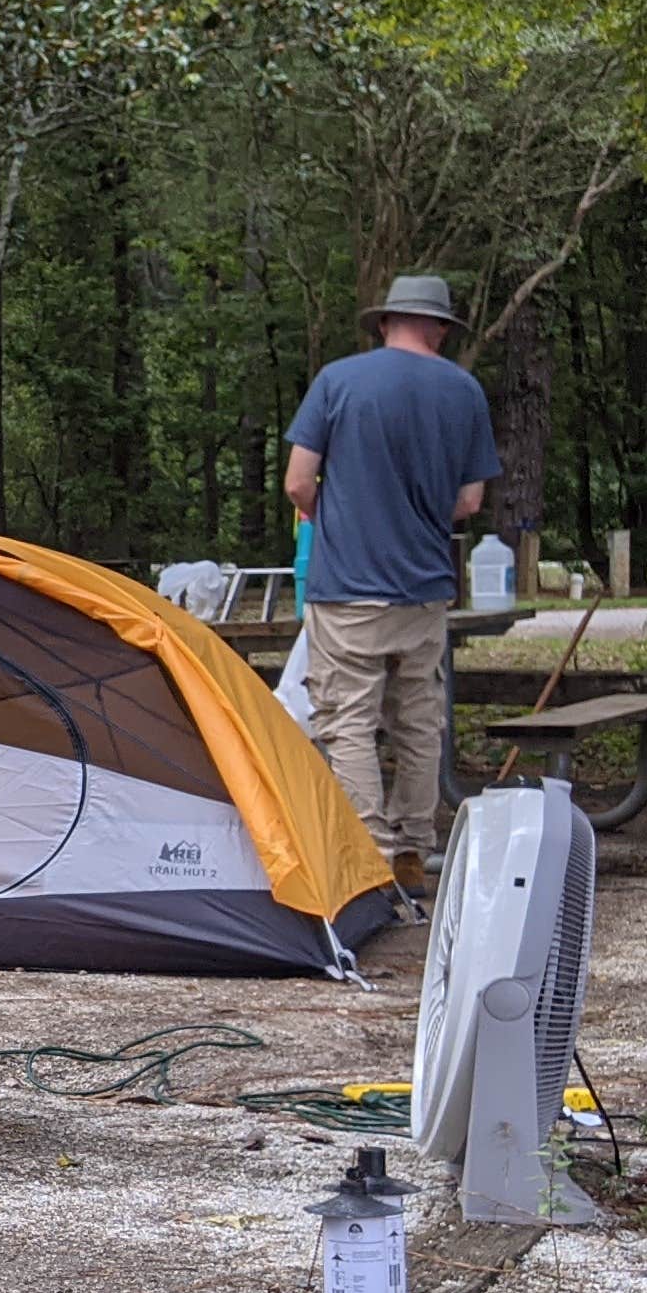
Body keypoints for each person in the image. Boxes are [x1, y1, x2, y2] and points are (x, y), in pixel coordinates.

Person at [283, 274, 498, 893]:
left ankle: (371, 855)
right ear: (440, 329)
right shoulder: (464, 391)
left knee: (347, 719)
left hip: (347, 588)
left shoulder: (338, 381)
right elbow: (469, 501)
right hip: (425, 589)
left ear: (384, 322)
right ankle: (413, 846)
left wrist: (337, 518)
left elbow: (298, 482)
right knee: (419, 721)